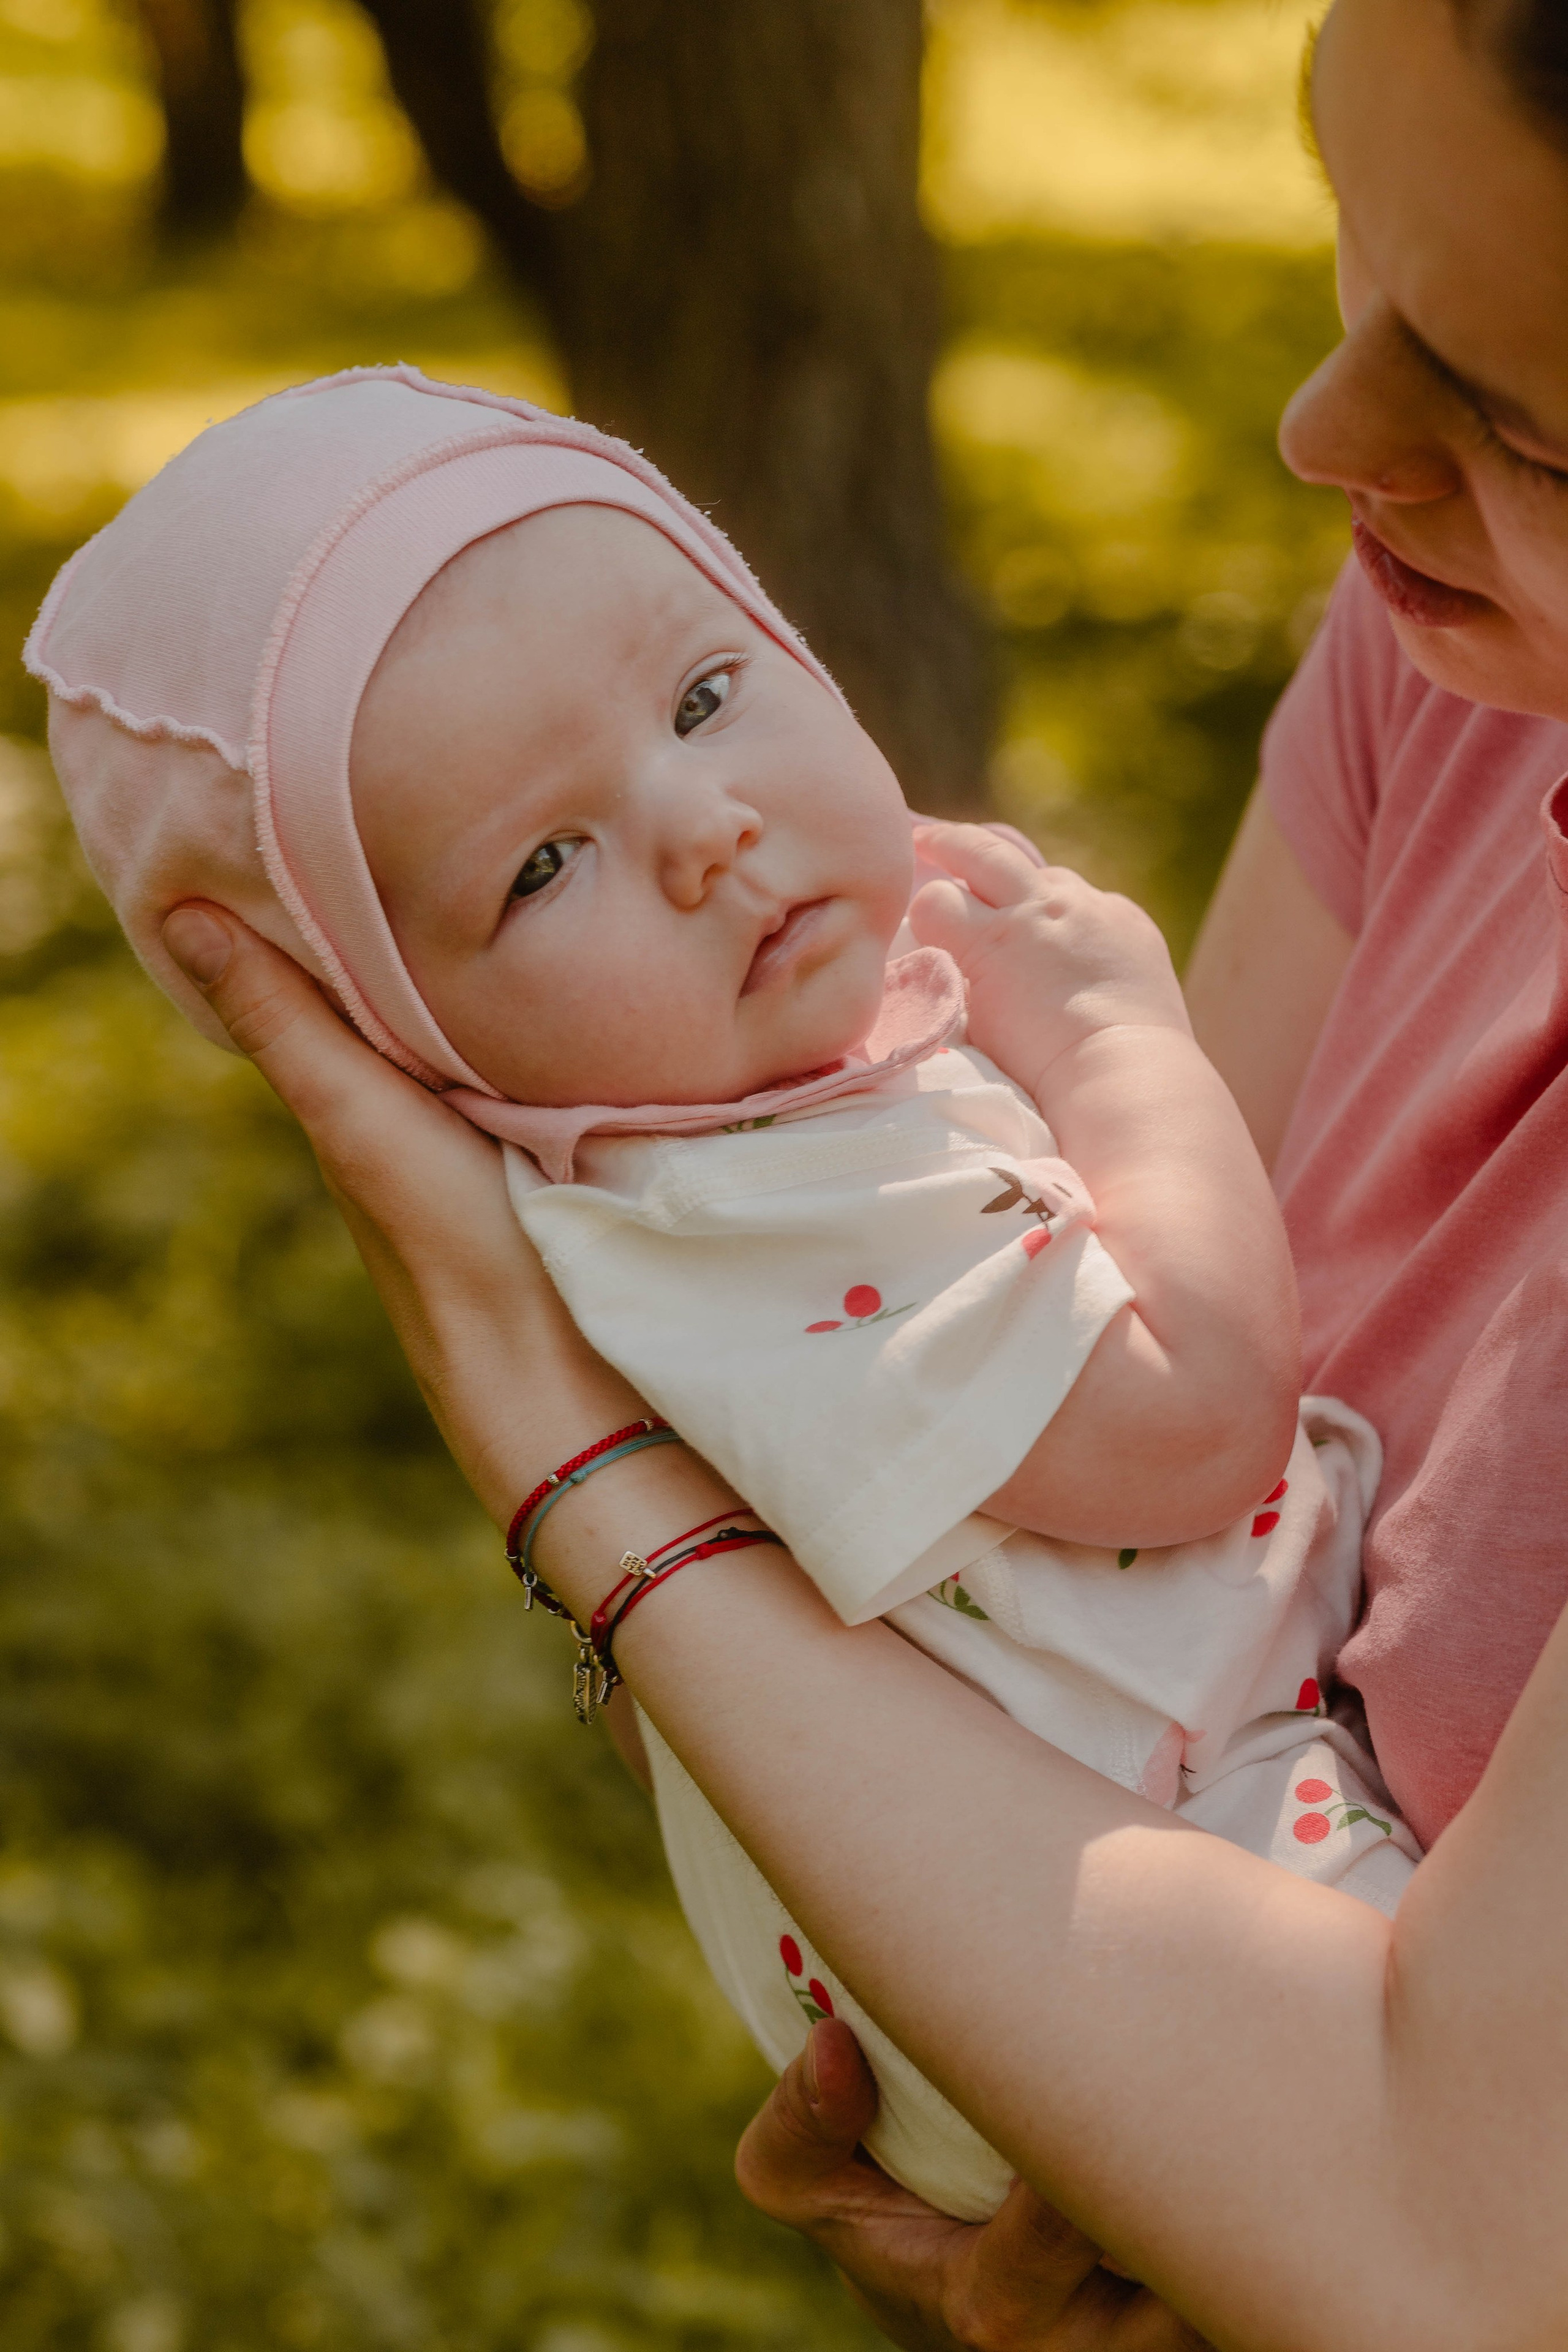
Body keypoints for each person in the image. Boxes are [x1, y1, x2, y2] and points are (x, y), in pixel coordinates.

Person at [43, 0, 1568, 2337]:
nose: (1322, 436)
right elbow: (1182, 1403)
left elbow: (1452, 2247)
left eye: (1512, 414)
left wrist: (573, 1476)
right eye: (542, 862)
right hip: (1167, 1907)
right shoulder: (783, 1189)